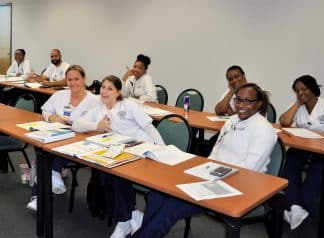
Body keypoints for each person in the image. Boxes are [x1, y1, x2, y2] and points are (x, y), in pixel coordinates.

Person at [131, 83, 277, 238]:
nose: (241, 105)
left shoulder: (264, 130)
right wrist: (202, 171)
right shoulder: (232, 121)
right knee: (158, 194)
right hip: (212, 177)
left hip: (239, 187)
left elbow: (248, 169)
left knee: (171, 207)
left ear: (259, 104)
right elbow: (215, 152)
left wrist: (209, 177)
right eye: (238, 100)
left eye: (248, 101)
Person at [72, 75, 164, 238]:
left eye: (110, 88)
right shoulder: (100, 108)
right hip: (120, 152)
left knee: (119, 176)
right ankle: (130, 216)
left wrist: (163, 151)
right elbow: (76, 124)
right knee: (106, 175)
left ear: (118, 92)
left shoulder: (129, 106)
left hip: (142, 149)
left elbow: (150, 128)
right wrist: (97, 125)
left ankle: (123, 221)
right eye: (103, 87)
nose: (104, 92)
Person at [26, 65, 100, 211]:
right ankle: (41, 193)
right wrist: (53, 117)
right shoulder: (60, 96)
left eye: (77, 79)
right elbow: (45, 111)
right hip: (59, 138)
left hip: (82, 144)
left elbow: (99, 124)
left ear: (84, 79)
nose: (73, 83)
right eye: (70, 80)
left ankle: (50, 179)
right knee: (45, 153)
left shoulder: (95, 101)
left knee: (49, 156)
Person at [279, 75, 324, 230]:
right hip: (307, 149)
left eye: (304, 89)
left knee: (318, 169)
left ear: (313, 89)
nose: (300, 93)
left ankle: (304, 206)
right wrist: (297, 103)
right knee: (290, 159)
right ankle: (295, 206)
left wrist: (322, 142)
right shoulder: (299, 106)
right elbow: (284, 122)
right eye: (297, 91)